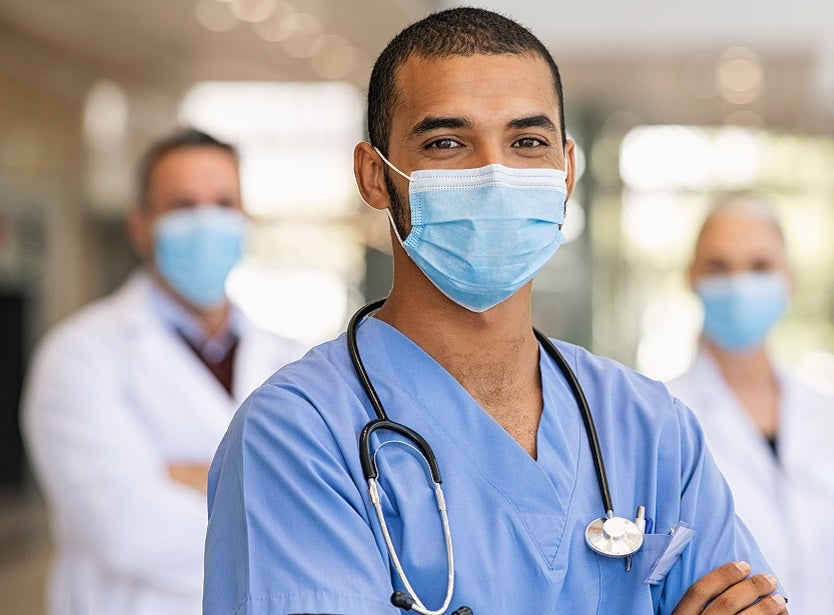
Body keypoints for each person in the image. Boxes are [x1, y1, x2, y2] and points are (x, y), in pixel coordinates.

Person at [203, 8, 786, 615]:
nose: (494, 174)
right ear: (375, 176)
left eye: (527, 142)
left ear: (566, 173)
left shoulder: (649, 428)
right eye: (447, 143)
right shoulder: (298, 436)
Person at [20, 129, 306, 615]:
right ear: (141, 227)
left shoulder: (296, 362)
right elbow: (128, 530)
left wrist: (193, 477)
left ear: (245, 219)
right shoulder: (78, 356)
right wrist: (278, 491)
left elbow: (348, 512)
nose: (206, 221)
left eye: (222, 203)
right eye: (182, 205)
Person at [667, 194, 834, 615]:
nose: (740, 284)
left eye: (760, 266)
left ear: (789, 279)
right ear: (691, 277)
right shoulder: (661, 417)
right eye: (719, 267)